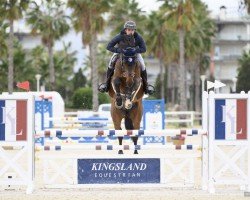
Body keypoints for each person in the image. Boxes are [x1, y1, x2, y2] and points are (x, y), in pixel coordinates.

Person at [98, 20, 154, 95]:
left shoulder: (138, 38)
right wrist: (119, 50)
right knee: (110, 64)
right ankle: (106, 84)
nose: (130, 31)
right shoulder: (119, 37)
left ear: (134, 30)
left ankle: (146, 86)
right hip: (121, 53)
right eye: (129, 30)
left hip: (134, 54)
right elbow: (109, 46)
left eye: (132, 30)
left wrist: (136, 50)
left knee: (143, 65)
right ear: (125, 30)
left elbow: (144, 49)